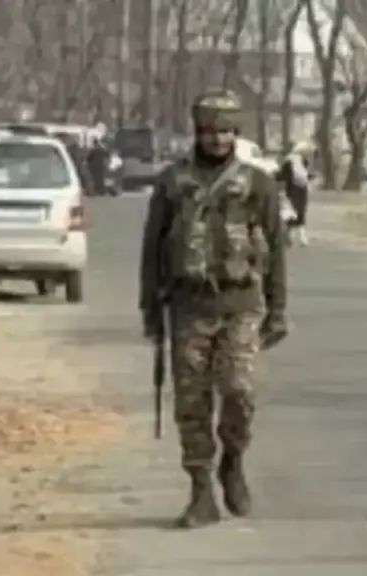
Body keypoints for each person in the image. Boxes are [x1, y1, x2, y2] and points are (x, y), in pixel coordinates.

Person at [139, 89, 288, 529]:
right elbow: (152, 250)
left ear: (236, 133)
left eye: (225, 131)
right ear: (197, 132)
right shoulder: (172, 182)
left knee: (239, 390)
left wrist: (278, 309)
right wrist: (150, 310)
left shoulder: (257, 183)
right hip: (188, 305)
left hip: (241, 304)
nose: (217, 139)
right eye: (209, 130)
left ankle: (233, 459)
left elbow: (276, 248)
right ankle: (200, 489)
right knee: (192, 401)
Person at [278, 143, 311, 246]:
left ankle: (289, 237)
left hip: (291, 190)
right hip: (302, 190)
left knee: (290, 213)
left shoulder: (288, 161)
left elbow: (282, 176)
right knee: (300, 212)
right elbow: (307, 174)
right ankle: (302, 237)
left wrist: (275, 175)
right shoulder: (303, 160)